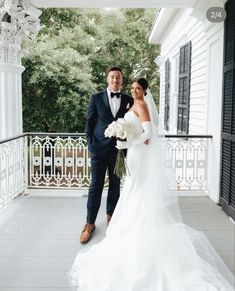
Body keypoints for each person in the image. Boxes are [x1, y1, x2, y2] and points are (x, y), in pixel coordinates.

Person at [69, 78, 234, 290]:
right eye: (133, 88)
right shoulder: (130, 103)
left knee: (135, 191)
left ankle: (139, 235)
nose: (134, 90)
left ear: (145, 91)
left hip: (137, 152)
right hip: (129, 154)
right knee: (120, 189)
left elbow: (148, 133)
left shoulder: (141, 104)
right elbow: (99, 123)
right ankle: (91, 223)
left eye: (138, 88)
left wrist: (127, 141)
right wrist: (121, 135)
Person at [80, 67, 133, 244]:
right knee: (95, 186)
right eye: (112, 77)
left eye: (118, 77)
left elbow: (134, 122)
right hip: (98, 150)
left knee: (115, 184)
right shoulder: (96, 98)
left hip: (118, 150)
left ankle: (112, 216)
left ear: (121, 81)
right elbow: (89, 122)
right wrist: (90, 144)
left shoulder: (128, 99)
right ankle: (89, 223)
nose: (115, 80)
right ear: (107, 80)